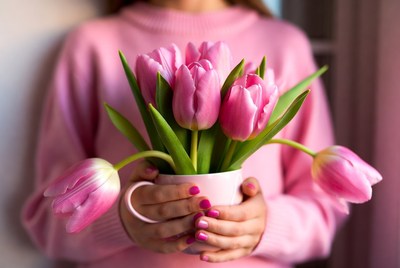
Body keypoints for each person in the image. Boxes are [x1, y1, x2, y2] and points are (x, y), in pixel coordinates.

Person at [22, 0, 346, 267]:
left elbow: (324, 214)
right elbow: (47, 219)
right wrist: (122, 223)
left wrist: (265, 226)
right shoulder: (92, 44)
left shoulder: (284, 44)